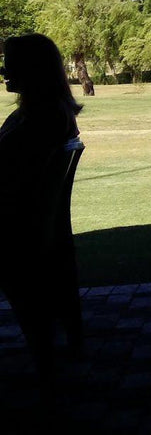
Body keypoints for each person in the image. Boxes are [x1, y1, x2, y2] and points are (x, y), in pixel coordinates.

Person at [0, 33, 83, 371]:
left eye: (12, 63)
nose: (5, 70)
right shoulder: (50, 115)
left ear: (32, 70)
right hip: (33, 228)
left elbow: (8, 176)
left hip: (14, 232)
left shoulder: (37, 122)